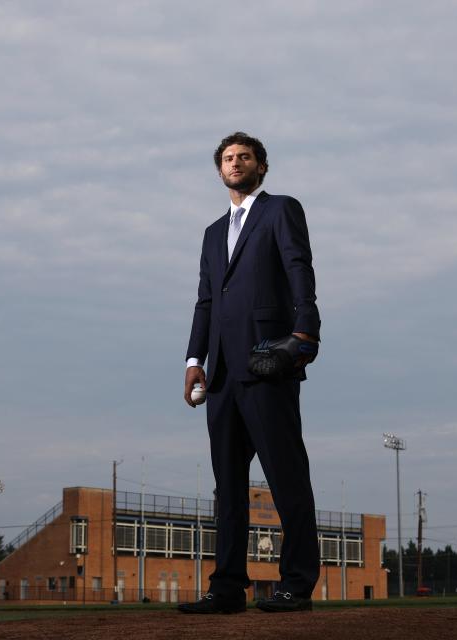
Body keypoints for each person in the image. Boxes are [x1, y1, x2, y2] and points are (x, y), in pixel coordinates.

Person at [178, 132, 321, 614]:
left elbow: (299, 267)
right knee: (229, 490)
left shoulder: (280, 209)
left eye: (244, 157)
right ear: (219, 171)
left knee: (286, 478)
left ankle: (296, 583)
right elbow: (205, 300)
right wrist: (194, 361)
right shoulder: (212, 232)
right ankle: (226, 588)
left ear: (262, 166)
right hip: (219, 375)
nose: (235, 164)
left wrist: (306, 332)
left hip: (267, 362)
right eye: (228, 159)